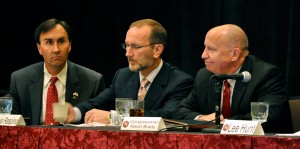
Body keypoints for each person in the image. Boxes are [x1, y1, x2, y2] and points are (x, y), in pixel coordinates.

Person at [65, 19, 194, 124]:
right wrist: (75, 113)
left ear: (157, 50)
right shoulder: (123, 76)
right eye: (126, 45)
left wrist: (114, 118)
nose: (128, 53)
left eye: (136, 46)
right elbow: (97, 102)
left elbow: (166, 115)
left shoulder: (180, 82)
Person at [175, 24, 292, 133]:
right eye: (205, 47)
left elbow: (268, 116)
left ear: (234, 54)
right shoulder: (204, 75)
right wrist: (202, 118)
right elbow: (180, 111)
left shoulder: (265, 75)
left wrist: (222, 123)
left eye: (211, 49)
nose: (203, 55)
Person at [10, 18, 106, 125]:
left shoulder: (93, 82)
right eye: (49, 42)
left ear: (69, 45)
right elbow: (12, 129)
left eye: (61, 41)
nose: (56, 49)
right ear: (39, 48)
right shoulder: (20, 80)